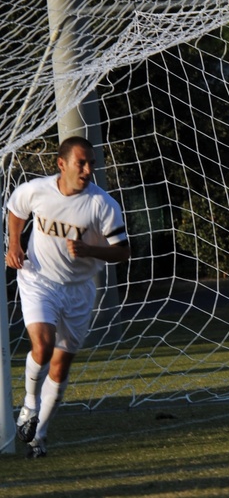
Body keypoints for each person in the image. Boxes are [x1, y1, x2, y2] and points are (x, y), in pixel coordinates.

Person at [6, 136, 130, 458]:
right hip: (38, 279)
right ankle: (29, 406)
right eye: (81, 163)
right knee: (42, 346)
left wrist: (91, 250)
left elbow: (123, 252)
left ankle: (38, 437)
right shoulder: (38, 190)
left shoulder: (103, 205)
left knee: (60, 368)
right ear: (61, 164)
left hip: (78, 291)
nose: (88, 169)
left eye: (91, 163)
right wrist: (14, 244)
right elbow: (16, 210)